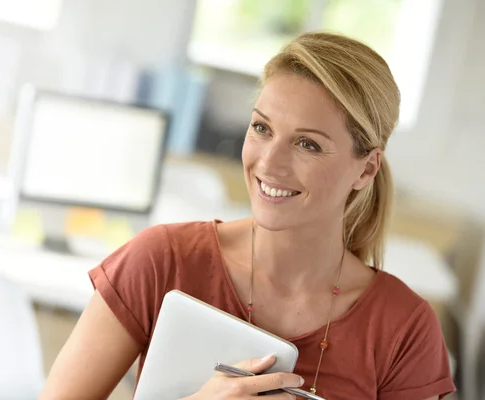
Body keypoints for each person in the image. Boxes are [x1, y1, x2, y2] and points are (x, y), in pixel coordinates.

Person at [39, 32, 456, 400]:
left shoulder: (405, 330)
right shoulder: (160, 261)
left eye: (308, 144)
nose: (270, 163)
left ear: (365, 169)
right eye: (262, 128)